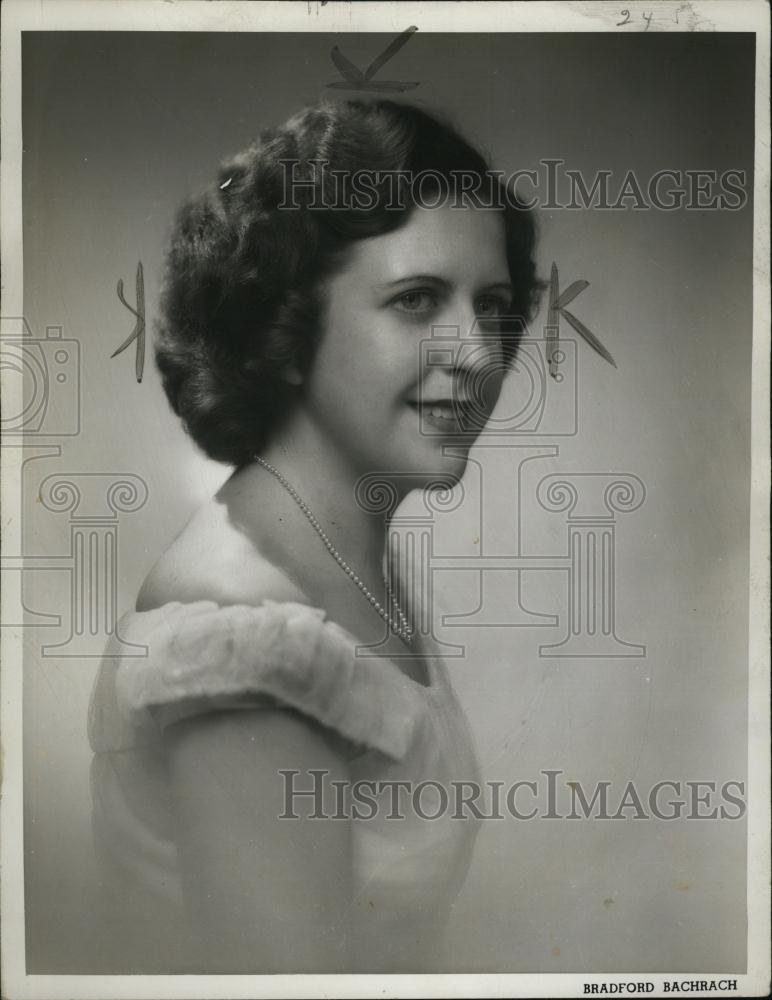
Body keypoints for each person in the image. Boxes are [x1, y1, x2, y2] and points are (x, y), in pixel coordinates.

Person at [87, 98, 541, 974]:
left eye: (492, 307)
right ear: (286, 328)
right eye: (416, 300)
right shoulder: (242, 634)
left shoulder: (344, 549)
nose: (479, 354)